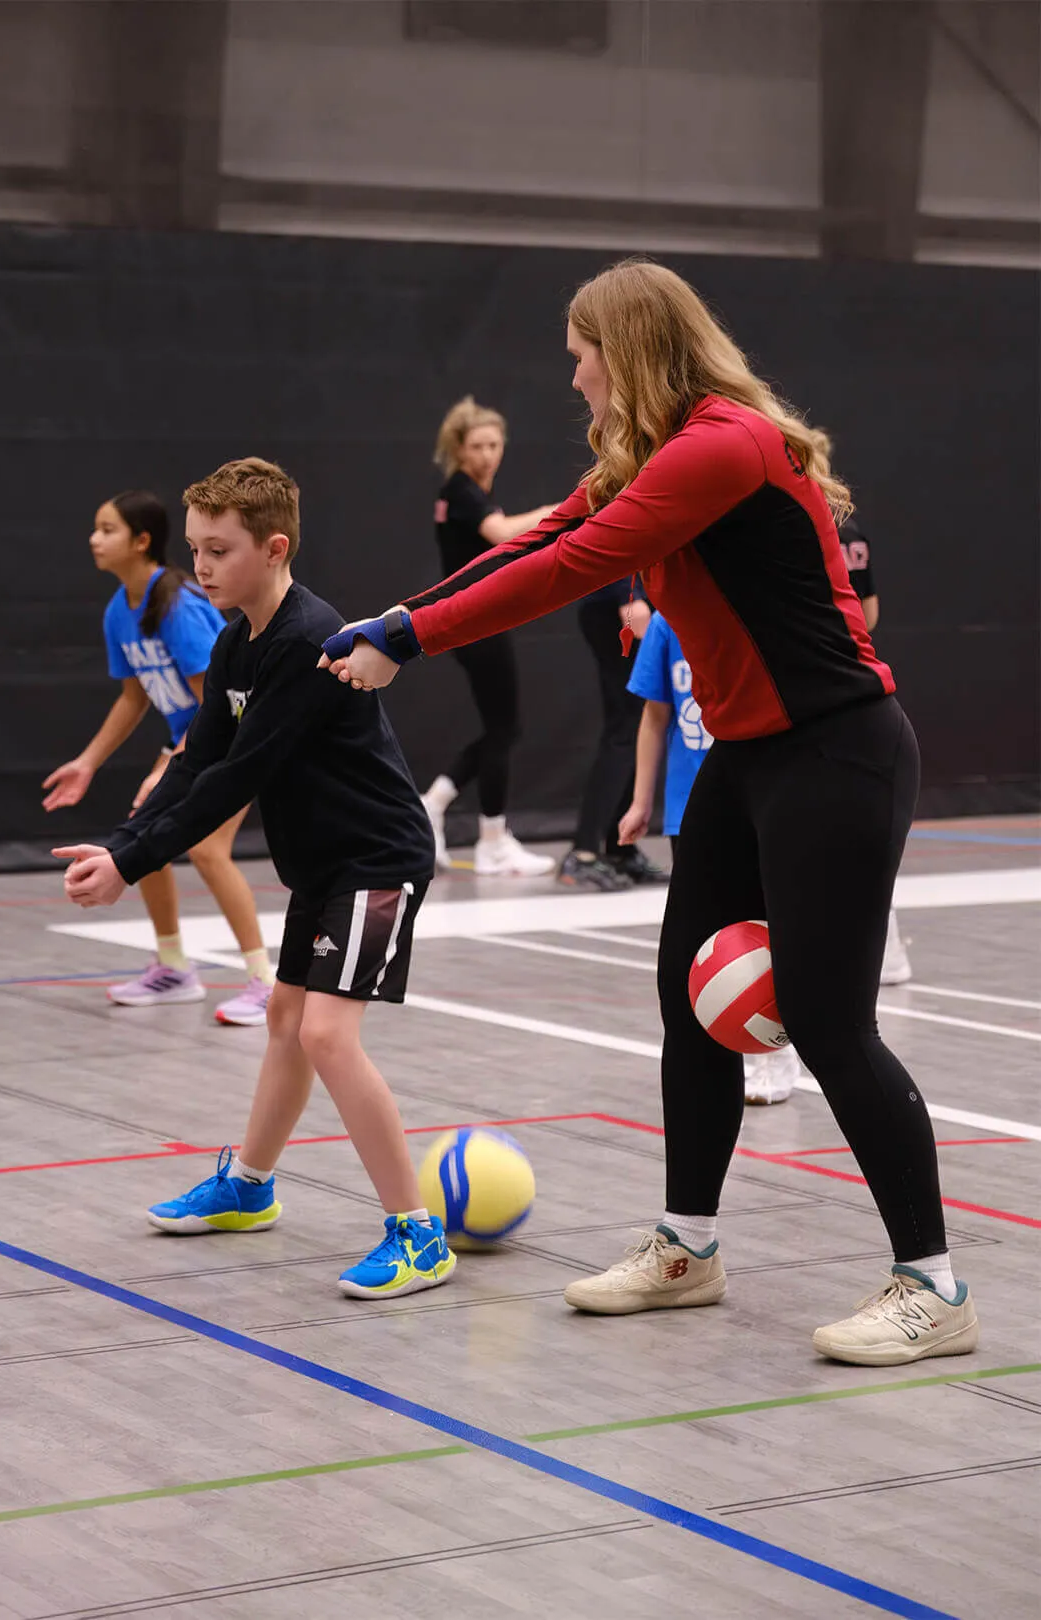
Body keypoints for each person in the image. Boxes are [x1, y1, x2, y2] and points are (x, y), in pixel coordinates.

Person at [320, 260, 979, 1367]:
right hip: (746, 754)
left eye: (581, 352)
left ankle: (933, 1283)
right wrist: (392, 617)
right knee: (687, 999)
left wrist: (410, 643)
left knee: (829, 1021)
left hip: (838, 752)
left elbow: (579, 563)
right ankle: (690, 1245)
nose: (572, 374)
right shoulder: (650, 456)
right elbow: (528, 542)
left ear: (626, 351)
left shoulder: (722, 446)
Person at [54, 459, 454, 1300]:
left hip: (377, 861)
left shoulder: (309, 639)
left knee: (326, 1036)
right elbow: (197, 758)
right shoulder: (236, 640)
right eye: (195, 548)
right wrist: (122, 842)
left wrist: (131, 865)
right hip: (324, 862)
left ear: (274, 549)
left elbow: (240, 774)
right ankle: (250, 1184)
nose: (200, 566)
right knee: (285, 1017)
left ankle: (418, 1235)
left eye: (219, 550)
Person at [42, 490, 274, 1026]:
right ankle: (173, 966)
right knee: (142, 832)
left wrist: (168, 765)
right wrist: (88, 762)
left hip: (241, 737)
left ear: (141, 541)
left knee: (210, 850)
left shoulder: (178, 608)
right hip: (192, 743)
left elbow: (213, 707)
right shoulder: (118, 611)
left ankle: (264, 980)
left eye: (108, 529)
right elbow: (133, 696)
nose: (95, 539)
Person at [620, 611, 802, 1105]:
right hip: (691, 807)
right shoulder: (665, 625)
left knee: (766, 924)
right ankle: (727, 1045)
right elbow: (655, 717)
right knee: (704, 939)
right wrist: (640, 802)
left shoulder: (747, 606)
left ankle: (776, 1049)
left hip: (760, 797)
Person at [421, 397, 559, 877]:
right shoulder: (461, 491)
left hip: (477, 619)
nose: (487, 454)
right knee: (504, 729)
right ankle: (493, 839)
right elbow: (501, 534)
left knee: (503, 728)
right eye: (478, 445)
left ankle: (434, 805)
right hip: (473, 619)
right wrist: (555, 512)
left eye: (495, 445)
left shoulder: (471, 491)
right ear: (459, 449)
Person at [557, 583, 670, 891]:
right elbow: (623, 536)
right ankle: (584, 851)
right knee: (626, 729)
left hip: (635, 602)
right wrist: (629, 596)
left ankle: (619, 849)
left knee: (635, 727)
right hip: (618, 608)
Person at [839, 514, 912, 985]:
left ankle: (881, 951)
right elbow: (869, 612)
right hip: (850, 683)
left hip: (836, 695)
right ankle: (882, 953)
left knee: (852, 828)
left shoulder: (810, 528)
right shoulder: (851, 533)